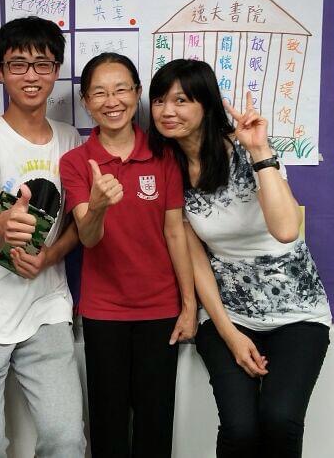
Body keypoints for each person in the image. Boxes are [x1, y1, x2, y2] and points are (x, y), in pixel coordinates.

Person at [148, 58, 331, 458]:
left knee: (280, 419)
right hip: (226, 313)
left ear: (206, 104)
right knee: (241, 429)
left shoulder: (247, 151)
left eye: (181, 100)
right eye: (159, 100)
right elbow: (195, 256)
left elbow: (286, 230)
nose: (167, 111)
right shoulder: (167, 167)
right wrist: (230, 333)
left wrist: (261, 150)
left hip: (296, 313)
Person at [0, 16, 86, 458]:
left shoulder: (70, 139)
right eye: (18, 64)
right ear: (0, 71)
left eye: (42, 64)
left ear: (57, 70)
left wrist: (48, 256)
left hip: (45, 307)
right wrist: (4, 228)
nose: (31, 76)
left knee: (66, 439)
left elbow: (78, 227)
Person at [59, 53, 197, 458]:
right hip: (105, 311)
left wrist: (189, 305)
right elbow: (88, 236)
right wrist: (98, 204)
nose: (111, 100)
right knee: (109, 425)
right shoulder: (75, 163)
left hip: (160, 309)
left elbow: (176, 231)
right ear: (86, 101)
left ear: (137, 94)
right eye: (99, 92)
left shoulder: (164, 155)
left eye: (121, 89)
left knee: (156, 423)